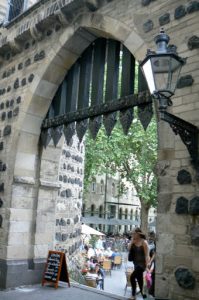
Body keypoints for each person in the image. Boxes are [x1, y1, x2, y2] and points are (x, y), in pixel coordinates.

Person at [128, 228, 149, 300]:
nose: (132, 235)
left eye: (133, 233)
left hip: (142, 264)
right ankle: (143, 295)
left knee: (132, 277)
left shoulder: (144, 242)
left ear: (138, 233)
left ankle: (133, 295)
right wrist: (131, 241)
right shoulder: (133, 241)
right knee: (139, 279)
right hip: (136, 263)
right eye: (132, 233)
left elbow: (147, 255)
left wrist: (147, 266)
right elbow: (128, 249)